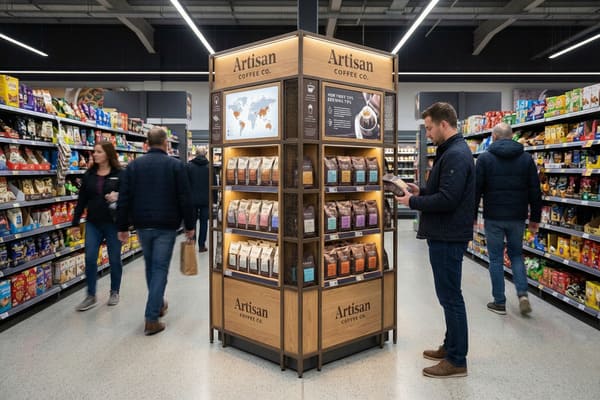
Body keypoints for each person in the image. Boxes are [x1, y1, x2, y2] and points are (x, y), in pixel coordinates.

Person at [397, 102, 475, 378]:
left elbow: (448, 199)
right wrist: (422, 189)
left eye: (429, 128)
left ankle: (457, 360)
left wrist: (413, 200)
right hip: (445, 233)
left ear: (444, 125)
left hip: (448, 234)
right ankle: (450, 345)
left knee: (451, 297)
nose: (428, 133)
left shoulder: (455, 154)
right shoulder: (451, 151)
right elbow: (442, 190)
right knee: (447, 295)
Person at [117, 127, 195, 336]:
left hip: (142, 225)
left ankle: (158, 303)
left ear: (146, 143)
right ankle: (151, 318)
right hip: (166, 225)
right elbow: (185, 198)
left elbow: (123, 198)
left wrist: (122, 227)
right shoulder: (176, 166)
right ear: (166, 143)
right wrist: (190, 225)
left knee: (151, 267)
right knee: (159, 268)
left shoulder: (133, 166)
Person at [475, 122, 542, 316]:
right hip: (517, 217)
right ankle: (522, 295)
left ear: (494, 137)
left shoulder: (485, 159)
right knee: (516, 255)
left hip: (493, 217)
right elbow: (535, 191)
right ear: (512, 137)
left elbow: (476, 190)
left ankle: (499, 302)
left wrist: (470, 215)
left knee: (495, 259)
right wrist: (535, 218)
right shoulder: (526, 159)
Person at [72, 141, 122, 311]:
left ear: (107, 154)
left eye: (98, 151)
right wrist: (75, 222)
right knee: (90, 258)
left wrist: (118, 196)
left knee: (115, 259)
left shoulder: (119, 173)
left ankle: (114, 291)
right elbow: (81, 201)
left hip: (113, 223)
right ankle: (91, 295)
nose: (94, 154)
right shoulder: (89, 175)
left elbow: (130, 196)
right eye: (94, 151)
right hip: (93, 222)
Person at [186, 146, 210, 252]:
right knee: (204, 222)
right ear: (205, 154)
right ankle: (201, 245)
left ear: (195, 153)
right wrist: (214, 200)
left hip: (192, 200)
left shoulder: (189, 166)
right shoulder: (210, 166)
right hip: (206, 199)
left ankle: (192, 242)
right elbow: (214, 184)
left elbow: (185, 184)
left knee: (193, 221)